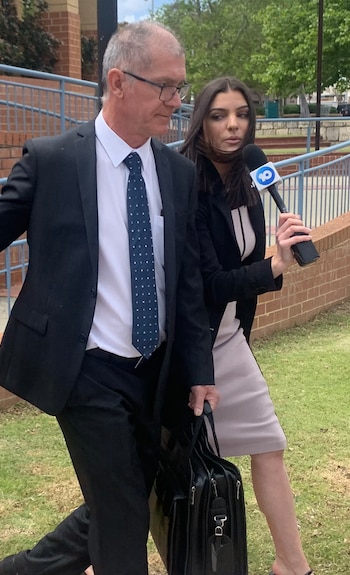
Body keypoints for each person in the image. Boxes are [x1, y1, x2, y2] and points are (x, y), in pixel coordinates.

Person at [0, 21, 219, 575]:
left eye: (180, 88)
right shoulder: (52, 161)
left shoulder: (176, 172)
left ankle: (25, 571)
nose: (177, 101)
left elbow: (187, 281)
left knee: (124, 495)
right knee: (123, 513)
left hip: (158, 370)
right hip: (86, 369)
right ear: (118, 82)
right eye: (165, 87)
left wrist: (199, 368)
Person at [179, 76, 314, 575]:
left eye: (241, 114)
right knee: (157, 469)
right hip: (195, 340)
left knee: (268, 443)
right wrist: (274, 266)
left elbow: (240, 266)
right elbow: (208, 283)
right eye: (219, 115)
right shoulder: (187, 182)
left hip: (231, 333)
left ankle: (291, 563)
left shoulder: (249, 178)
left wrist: (275, 248)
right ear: (201, 121)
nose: (233, 125)